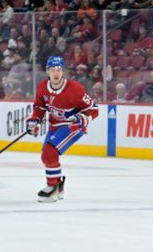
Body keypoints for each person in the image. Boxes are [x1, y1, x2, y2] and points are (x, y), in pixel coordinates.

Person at [25, 56, 99, 202]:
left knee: (49, 151)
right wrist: (34, 121)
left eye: (59, 70)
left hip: (73, 126)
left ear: (63, 71)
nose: (56, 73)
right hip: (55, 125)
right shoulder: (41, 88)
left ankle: (52, 188)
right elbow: (39, 107)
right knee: (46, 156)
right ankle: (57, 187)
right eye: (53, 70)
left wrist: (81, 119)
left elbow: (94, 110)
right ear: (47, 72)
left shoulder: (75, 89)